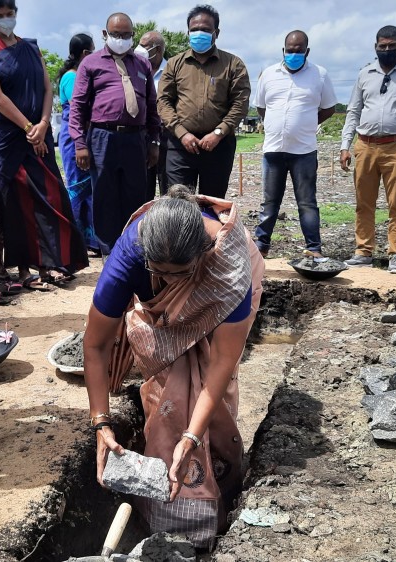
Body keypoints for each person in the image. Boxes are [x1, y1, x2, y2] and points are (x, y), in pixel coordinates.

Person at [83, 185, 264, 549]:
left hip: (223, 297)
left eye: (180, 274)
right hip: (163, 315)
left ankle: (220, 499)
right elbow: (96, 344)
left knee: (209, 384)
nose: (168, 282)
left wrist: (191, 436)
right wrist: (101, 423)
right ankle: (164, 515)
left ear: (202, 256)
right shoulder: (130, 254)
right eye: (159, 272)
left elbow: (223, 361)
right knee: (167, 391)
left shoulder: (229, 266)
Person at [0, 0, 88, 291]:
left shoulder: (31, 47)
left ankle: (55, 262)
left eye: (9, 14)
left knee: (52, 196)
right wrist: (28, 127)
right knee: (16, 201)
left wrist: (44, 124)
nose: (6, 19)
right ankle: (24, 269)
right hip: (8, 136)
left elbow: (47, 88)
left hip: (40, 132)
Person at [340, 26, 396, 274]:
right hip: (365, 145)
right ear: (375, 47)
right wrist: (345, 145)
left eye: (392, 46)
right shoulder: (365, 73)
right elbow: (354, 111)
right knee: (363, 202)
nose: (387, 50)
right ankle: (363, 251)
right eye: (382, 46)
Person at [69, 13, 160, 253]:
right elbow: (78, 106)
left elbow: (152, 106)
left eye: (126, 35)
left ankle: (133, 250)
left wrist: (154, 141)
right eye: (116, 34)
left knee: (135, 196)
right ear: (105, 34)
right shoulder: (91, 63)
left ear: (133, 35)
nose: (121, 39)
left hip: (136, 138)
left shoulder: (142, 65)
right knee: (104, 196)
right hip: (102, 137)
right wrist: (80, 143)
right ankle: (109, 252)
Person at [252, 30, 337, 261]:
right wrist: (275, 124)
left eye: (298, 51)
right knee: (269, 202)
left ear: (307, 51)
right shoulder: (269, 74)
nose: (293, 54)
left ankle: (314, 247)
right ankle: (261, 246)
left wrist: (307, 124)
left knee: (307, 202)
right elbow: (260, 106)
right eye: (289, 50)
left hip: (304, 151)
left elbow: (329, 108)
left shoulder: (319, 75)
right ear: (283, 50)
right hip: (273, 150)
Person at [157, 4, 250, 199]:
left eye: (206, 30)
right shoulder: (174, 64)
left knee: (213, 202)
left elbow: (240, 103)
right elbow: (163, 101)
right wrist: (182, 133)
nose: (199, 33)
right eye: (194, 29)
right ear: (188, 32)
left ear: (217, 33)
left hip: (218, 146)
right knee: (178, 202)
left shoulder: (233, 64)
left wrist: (218, 133)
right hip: (180, 145)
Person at [56, 33, 99, 254]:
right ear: (85, 53)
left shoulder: (80, 75)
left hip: (84, 136)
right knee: (78, 187)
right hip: (75, 138)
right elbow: (79, 109)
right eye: (93, 50)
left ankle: (91, 240)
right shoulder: (72, 77)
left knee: (89, 188)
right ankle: (78, 241)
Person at [136, 30, 168, 197]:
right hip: (143, 134)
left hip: (167, 134)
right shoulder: (136, 68)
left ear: (158, 49)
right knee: (143, 187)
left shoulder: (171, 70)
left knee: (167, 185)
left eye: (144, 46)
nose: (139, 49)